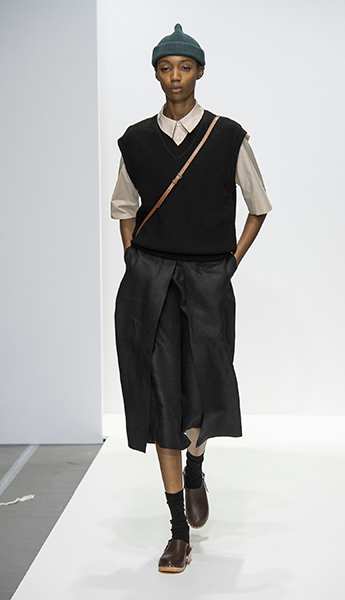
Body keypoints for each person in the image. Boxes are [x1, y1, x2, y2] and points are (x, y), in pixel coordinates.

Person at [111, 23, 272, 573]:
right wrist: (134, 258)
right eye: (166, 67)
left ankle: (196, 466)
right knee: (163, 398)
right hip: (151, 280)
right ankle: (177, 529)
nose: (175, 76)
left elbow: (258, 205)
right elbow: (124, 206)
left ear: (199, 72)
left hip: (207, 280)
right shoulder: (135, 140)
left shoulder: (227, 136)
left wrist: (229, 264)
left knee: (203, 390)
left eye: (184, 67)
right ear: (156, 74)